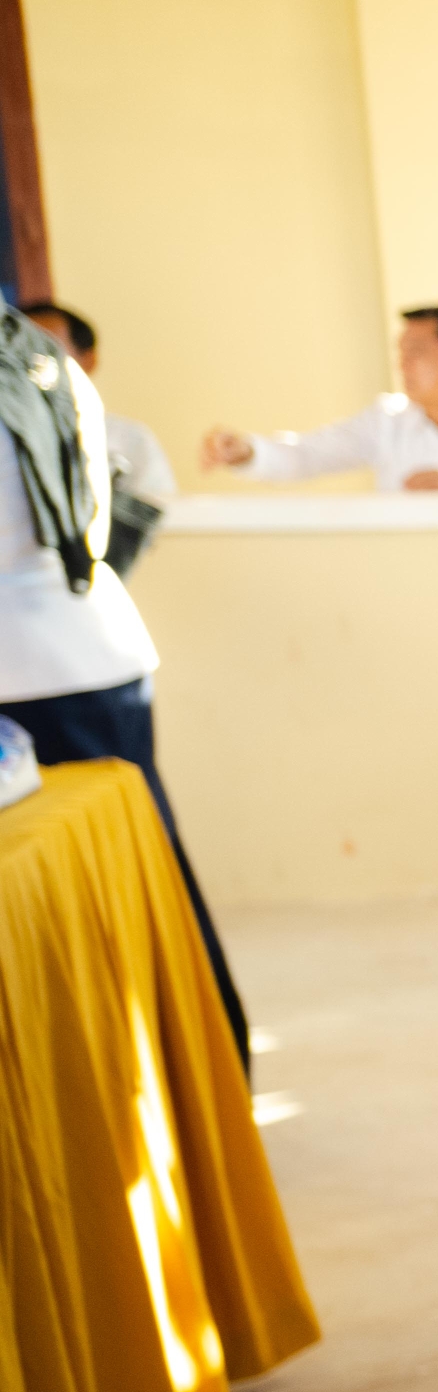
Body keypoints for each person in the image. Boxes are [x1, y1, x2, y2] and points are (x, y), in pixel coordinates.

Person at [0, 301, 246, 1057]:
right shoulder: (36, 353)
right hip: (89, 650)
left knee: (103, 896)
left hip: (34, 671)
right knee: (141, 871)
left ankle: (172, 1072)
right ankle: (205, 1067)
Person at [203, 304, 438, 494]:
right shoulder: (387, 421)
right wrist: (247, 452)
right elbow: (308, 454)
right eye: (400, 352)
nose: (402, 364)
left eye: (417, 352)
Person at [23, 303, 172, 572]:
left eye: (48, 348)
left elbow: (153, 514)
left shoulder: (129, 440)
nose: (32, 361)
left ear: (88, 360)